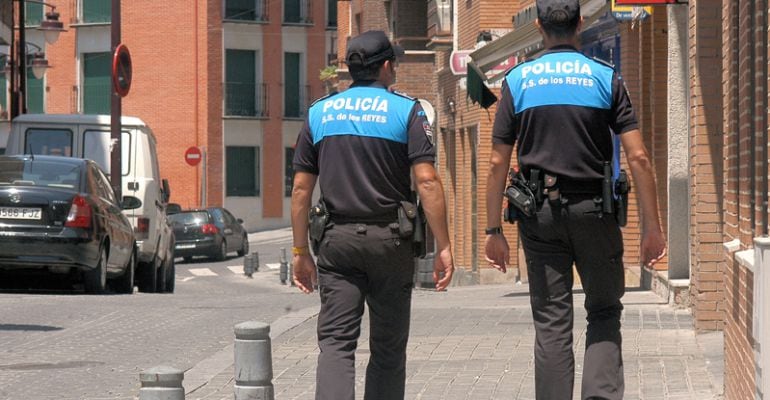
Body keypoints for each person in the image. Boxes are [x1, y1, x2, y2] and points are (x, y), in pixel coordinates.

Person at [484, 1, 667, 399]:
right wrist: (652, 227)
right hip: (595, 214)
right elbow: (637, 156)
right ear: (580, 24)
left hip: (540, 217)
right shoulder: (605, 77)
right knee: (603, 310)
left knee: (552, 322)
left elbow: (498, 159)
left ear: (538, 27)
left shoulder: (518, 81)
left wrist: (493, 229)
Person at [290, 30, 454, 400]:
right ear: (385, 67)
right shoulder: (407, 110)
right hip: (390, 243)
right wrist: (443, 245)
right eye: (392, 62)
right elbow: (426, 181)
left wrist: (300, 252)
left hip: (336, 243)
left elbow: (301, 189)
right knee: (388, 348)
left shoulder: (320, 113)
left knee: (335, 342)